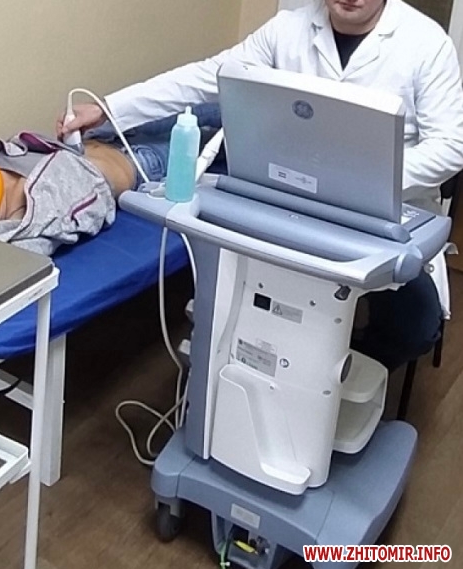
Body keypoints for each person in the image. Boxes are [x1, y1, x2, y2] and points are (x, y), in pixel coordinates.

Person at [60, 0, 463, 371]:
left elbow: (451, 146)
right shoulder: (287, 30)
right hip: (290, 200)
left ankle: (348, 372)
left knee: (414, 328)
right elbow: (207, 77)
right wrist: (110, 108)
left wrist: (364, 181)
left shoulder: (426, 44)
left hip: (381, 214)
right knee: (260, 305)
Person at [0, 106, 222, 255]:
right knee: (223, 134)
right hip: (136, 163)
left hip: (98, 135)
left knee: (206, 105)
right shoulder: (20, 227)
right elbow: (16, 262)